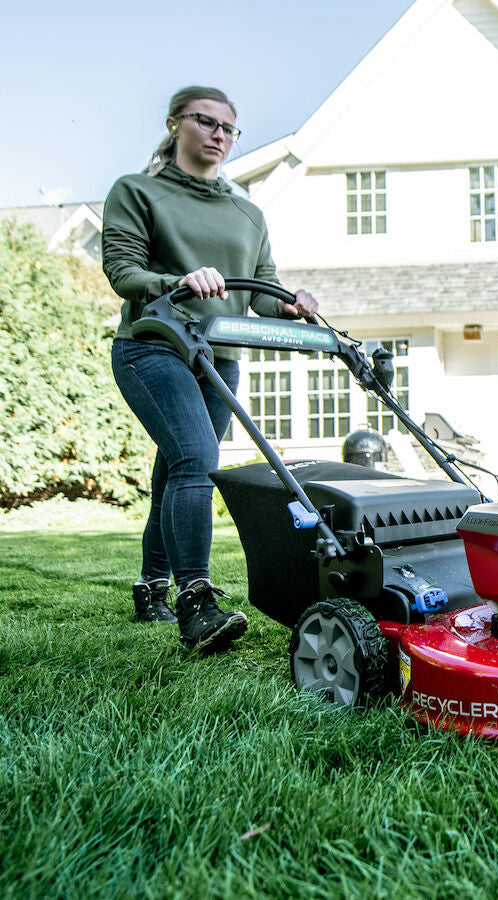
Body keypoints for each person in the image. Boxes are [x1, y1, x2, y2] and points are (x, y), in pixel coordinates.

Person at [102, 86, 318, 652]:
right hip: (152, 346)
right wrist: (177, 281)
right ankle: (195, 601)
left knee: (177, 471)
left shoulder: (248, 212)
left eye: (229, 127)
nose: (219, 133)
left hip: (218, 357)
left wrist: (293, 302)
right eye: (206, 121)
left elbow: (263, 295)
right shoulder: (137, 192)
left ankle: (150, 587)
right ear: (175, 125)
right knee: (196, 458)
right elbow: (123, 270)